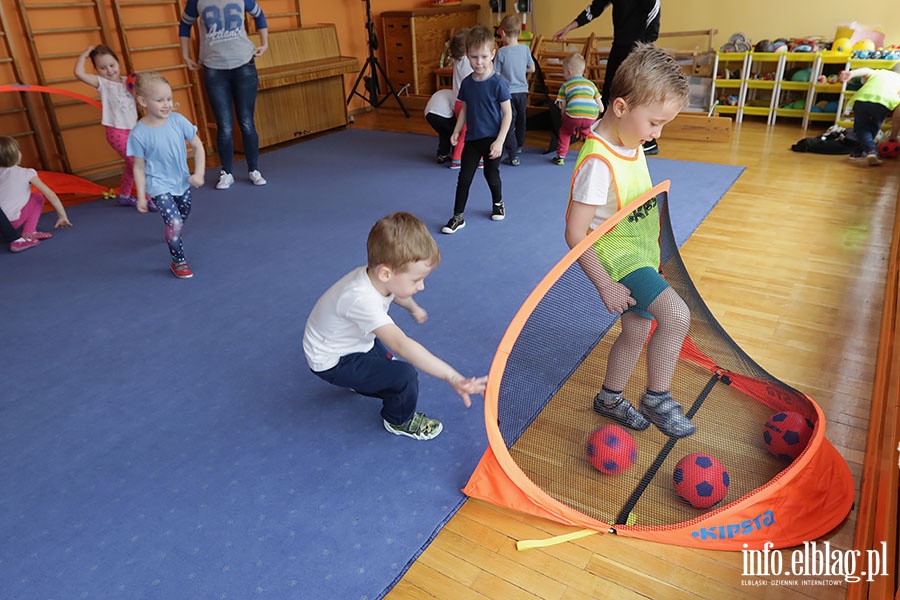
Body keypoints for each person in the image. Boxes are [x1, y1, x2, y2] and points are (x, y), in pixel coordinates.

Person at [564, 44, 694, 438]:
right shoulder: (597, 164)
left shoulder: (630, 141)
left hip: (642, 251)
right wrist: (605, 284)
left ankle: (609, 397)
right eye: (654, 123)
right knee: (677, 316)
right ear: (620, 108)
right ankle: (656, 396)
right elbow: (574, 231)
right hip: (621, 261)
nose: (656, 134)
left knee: (637, 331)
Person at [303, 212, 487, 441]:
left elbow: (394, 293)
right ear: (386, 272)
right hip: (332, 361)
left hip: (350, 343)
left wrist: (412, 306)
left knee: (385, 362)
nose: (421, 287)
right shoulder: (361, 299)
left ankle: (360, 381)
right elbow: (402, 344)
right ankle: (398, 420)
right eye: (415, 280)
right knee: (404, 376)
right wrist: (452, 376)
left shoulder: (376, 277)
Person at [179, 0, 268, 189]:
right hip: (214, 68)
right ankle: (226, 172)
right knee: (224, 125)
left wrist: (265, 43)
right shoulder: (197, 1)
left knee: (247, 122)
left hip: (244, 64)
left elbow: (259, 14)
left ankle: (254, 170)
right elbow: (185, 24)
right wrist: (185, 55)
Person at [553, 0, 661, 155]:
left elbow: (653, 20)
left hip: (639, 47)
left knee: (636, 94)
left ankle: (648, 141)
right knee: (610, 92)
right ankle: (609, 138)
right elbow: (594, 9)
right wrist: (568, 28)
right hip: (619, 45)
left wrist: (642, 50)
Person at [127, 72, 206, 279]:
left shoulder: (178, 121)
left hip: (181, 181)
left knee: (182, 215)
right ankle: (178, 261)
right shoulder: (139, 133)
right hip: (158, 185)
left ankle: (172, 231)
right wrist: (142, 195)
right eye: (160, 100)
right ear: (143, 101)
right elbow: (138, 167)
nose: (166, 104)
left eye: (169, 99)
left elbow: (198, 145)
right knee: (175, 222)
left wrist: (199, 173)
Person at [441, 26, 512, 234]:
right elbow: (465, 107)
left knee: (491, 175)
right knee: (464, 178)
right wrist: (456, 130)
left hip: (492, 139)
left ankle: (498, 202)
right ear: (467, 56)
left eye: (483, 57)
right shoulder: (467, 83)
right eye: (473, 57)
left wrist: (500, 141)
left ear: (492, 54)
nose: (478, 62)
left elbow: (507, 114)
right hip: (472, 139)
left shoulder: (498, 84)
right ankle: (457, 216)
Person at [73, 45, 155, 210]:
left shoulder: (128, 82)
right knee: (138, 163)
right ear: (97, 70)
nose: (109, 71)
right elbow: (79, 73)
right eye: (102, 68)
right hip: (116, 132)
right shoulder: (102, 84)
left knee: (131, 166)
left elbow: (145, 91)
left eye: (112, 65)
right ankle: (147, 198)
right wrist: (85, 54)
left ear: (118, 63)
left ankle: (124, 196)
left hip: (133, 130)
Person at [0, 136, 73, 253]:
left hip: (2, 223)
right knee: (37, 197)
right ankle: (30, 232)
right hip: (13, 221)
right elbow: (50, 195)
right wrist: (62, 215)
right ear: (16, 155)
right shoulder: (27, 173)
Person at [424, 27, 473, 165]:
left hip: (430, 113)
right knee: (460, 132)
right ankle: (458, 157)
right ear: (467, 49)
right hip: (461, 103)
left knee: (445, 132)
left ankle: (442, 154)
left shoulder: (457, 61)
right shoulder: (467, 63)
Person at [839, 63, 900, 166]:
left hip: (862, 100)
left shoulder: (880, 72)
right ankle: (870, 151)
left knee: (861, 128)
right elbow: (898, 114)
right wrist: (893, 135)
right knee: (873, 128)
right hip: (883, 103)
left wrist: (851, 73)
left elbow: (865, 70)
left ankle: (862, 150)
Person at [494, 13, 535, 166]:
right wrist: (520, 71)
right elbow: (532, 68)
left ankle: (512, 155)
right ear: (519, 32)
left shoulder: (501, 52)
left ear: (502, 33)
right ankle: (519, 146)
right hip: (522, 91)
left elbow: (496, 74)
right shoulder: (525, 49)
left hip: (507, 93)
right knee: (521, 120)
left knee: (508, 121)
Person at [553, 53, 603, 166]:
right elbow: (601, 108)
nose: (563, 75)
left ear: (569, 72)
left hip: (573, 114)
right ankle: (591, 154)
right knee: (588, 132)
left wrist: (563, 117)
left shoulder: (565, 86)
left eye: (563, 72)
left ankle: (561, 156)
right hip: (591, 116)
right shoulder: (591, 84)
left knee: (565, 132)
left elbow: (563, 108)